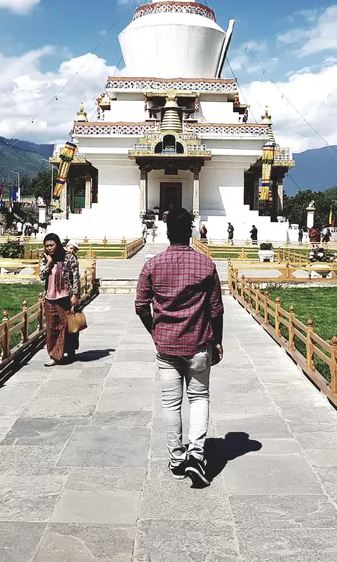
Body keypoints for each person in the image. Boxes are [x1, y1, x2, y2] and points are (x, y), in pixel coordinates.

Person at [136, 208, 223, 487]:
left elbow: (140, 305)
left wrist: (155, 330)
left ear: (167, 232)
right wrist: (217, 340)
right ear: (191, 231)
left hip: (167, 346)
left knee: (171, 402)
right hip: (199, 343)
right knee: (199, 398)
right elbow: (216, 309)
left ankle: (176, 459)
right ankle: (196, 456)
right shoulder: (206, 265)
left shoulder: (152, 265)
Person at [39, 233, 81, 366]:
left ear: (57, 244)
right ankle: (55, 355)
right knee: (52, 328)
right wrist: (49, 264)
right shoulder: (46, 259)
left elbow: (75, 276)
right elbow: (41, 276)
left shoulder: (69, 258)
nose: (49, 248)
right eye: (46, 246)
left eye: (51, 245)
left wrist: (75, 294)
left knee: (69, 326)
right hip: (50, 298)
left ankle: (70, 351)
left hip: (65, 297)